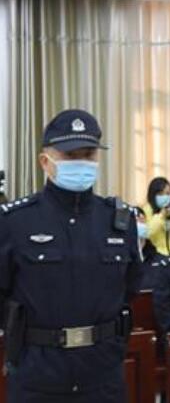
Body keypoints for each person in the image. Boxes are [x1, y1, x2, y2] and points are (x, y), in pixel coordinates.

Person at [0, 109, 142, 402]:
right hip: (38, 375)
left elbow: (130, 287)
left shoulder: (118, 220)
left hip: (102, 374)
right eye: (70, 155)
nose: (81, 162)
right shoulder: (15, 222)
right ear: (45, 161)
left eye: (88, 154)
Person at [142, 177, 170, 256]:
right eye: (160, 194)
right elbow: (147, 233)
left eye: (168, 194)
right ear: (153, 195)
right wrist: (161, 216)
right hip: (154, 257)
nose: (165, 197)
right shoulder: (146, 210)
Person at [135, 207, 170, 290]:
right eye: (136, 220)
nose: (140, 224)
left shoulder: (162, 261)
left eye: (142, 220)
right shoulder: (123, 258)